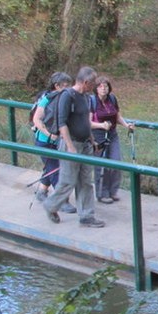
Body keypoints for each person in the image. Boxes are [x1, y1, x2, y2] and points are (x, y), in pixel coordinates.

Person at [43, 66, 105, 228]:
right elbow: (62, 122)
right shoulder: (67, 96)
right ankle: (51, 205)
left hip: (85, 144)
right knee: (68, 180)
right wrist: (70, 146)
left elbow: (85, 121)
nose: (95, 86)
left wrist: (92, 140)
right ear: (85, 82)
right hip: (71, 143)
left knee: (85, 181)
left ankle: (86, 216)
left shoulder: (86, 97)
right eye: (93, 83)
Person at [32, 71, 75, 213]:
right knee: (56, 170)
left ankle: (42, 192)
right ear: (56, 86)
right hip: (44, 141)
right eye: (65, 85)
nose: (69, 87)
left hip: (57, 140)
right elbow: (36, 120)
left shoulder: (64, 99)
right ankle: (61, 201)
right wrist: (49, 134)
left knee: (51, 167)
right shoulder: (46, 99)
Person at [89, 76, 134, 203]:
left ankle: (112, 191)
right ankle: (102, 193)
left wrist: (126, 125)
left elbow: (117, 116)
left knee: (116, 161)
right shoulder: (92, 101)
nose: (104, 89)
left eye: (106, 86)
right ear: (96, 89)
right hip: (97, 136)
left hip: (112, 134)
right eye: (101, 87)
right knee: (101, 165)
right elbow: (88, 122)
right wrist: (101, 125)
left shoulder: (112, 99)